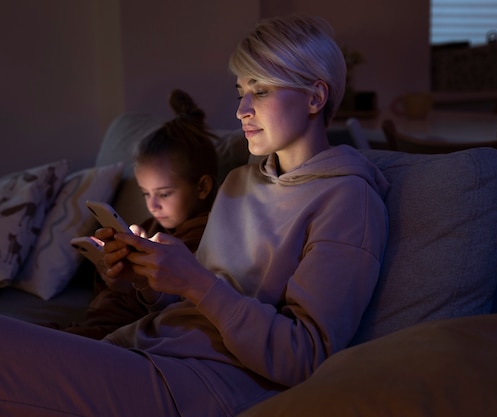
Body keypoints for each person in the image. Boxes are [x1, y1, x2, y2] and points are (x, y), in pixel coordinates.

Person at [0, 14, 389, 416]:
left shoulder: (348, 200)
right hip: (144, 351)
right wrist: (147, 279)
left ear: (314, 97)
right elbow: (192, 300)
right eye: (241, 90)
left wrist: (195, 281)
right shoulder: (240, 181)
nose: (241, 110)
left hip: (204, 383)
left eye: (260, 90)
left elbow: (304, 356)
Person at [61, 88, 219, 339]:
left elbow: (172, 304)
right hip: (90, 325)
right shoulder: (149, 226)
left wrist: (137, 279)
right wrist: (107, 271)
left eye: (164, 193)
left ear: (202, 187)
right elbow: (106, 297)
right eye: (146, 194)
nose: (153, 205)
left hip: (117, 336)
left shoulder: (209, 237)